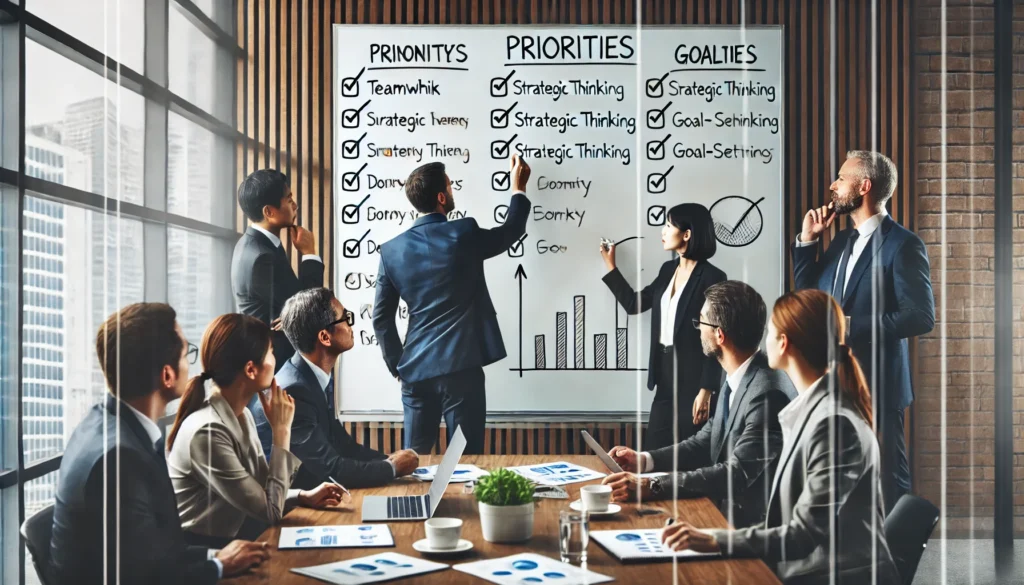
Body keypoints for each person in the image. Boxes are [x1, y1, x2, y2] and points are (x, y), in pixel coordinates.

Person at [659, 290, 900, 585]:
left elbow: (803, 534)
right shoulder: (813, 409)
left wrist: (714, 540)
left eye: (770, 330)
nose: (763, 338)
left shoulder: (835, 426)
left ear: (784, 343)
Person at [49, 303, 269, 585]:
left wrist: (216, 557)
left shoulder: (103, 424)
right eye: (185, 354)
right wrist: (217, 567)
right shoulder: (121, 458)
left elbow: (153, 553)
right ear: (167, 376)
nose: (192, 364)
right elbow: (149, 576)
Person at [793, 150, 934, 512]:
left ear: (864, 186)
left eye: (841, 178)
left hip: (878, 387)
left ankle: (896, 563)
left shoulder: (903, 245)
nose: (832, 185)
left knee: (888, 480)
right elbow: (808, 299)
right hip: (831, 382)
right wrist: (808, 243)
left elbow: (920, 317)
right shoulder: (841, 242)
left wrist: (852, 327)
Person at [601, 281, 794, 529]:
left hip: (748, 531)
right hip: (722, 512)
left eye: (701, 322)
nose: (698, 329)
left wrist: (651, 485)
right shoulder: (739, 372)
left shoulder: (767, 393)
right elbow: (706, 440)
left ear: (719, 334)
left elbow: (737, 473)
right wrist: (645, 460)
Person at [372, 155, 531, 455]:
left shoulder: (391, 251)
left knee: (412, 463)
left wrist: (398, 366)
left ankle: (415, 505)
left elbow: (381, 319)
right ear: (442, 197)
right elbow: (510, 232)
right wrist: (518, 188)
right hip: (461, 369)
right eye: (450, 185)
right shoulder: (464, 234)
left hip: (415, 372)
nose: (453, 189)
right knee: (466, 461)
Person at [166, 314, 345, 547]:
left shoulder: (242, 414)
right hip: (204, 552)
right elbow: (270, 511)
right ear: (251, 369)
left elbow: (263, 492)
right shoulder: (208, 431)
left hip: (232, 539)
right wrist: (281, 431)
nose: (276, 359)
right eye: (270, 351)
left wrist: (302, 496)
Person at [254, 288, 419, 488]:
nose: (351, 325)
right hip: (290, 510)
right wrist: (393, 468)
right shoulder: (294, 391)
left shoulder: (308, 376)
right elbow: (331, 470)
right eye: (345, 318)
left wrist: (391, 460)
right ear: (324, 337)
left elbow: (343, 445)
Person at [601, 203, 726, 450]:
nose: (663, 230)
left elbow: (717, 337)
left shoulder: (714, 277)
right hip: (664, 375)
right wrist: (611, 266)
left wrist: (707, 389)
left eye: (669, 225)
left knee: (690, 453)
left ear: (687, 234)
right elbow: (634, 303)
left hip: (694, 379)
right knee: (654, 451)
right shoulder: (668, 270)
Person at [232, 169, 324, 372]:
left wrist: (292, 312)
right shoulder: (260, 257)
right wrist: (309, 253)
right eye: (289, 199)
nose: (295, 205)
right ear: (269, 212)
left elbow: (295, 309)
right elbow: (306, 310)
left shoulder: (262, 242)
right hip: (277, 368)